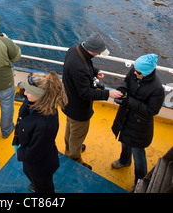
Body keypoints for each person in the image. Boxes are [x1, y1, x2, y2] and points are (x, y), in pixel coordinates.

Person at [62, 33, 123, 169]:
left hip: (67, 100)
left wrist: (95, 72)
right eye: (99, 53)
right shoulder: (80, 68)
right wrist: (108, 93)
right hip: (78, 108)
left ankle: (70, 149)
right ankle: (74, 158)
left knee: (70, 128)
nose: (99, 54)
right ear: (93, 50)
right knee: (78, 133)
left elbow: (86, 66)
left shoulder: (74, 49)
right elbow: (85, 93)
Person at [111, 53, 165, 186]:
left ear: (146, 73)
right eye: (134, 70)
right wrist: (122, 90)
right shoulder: (136, 70)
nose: (134, 73)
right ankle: (124, 161)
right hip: (126, 117)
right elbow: (126, 81)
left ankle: (140, 181)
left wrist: (128, 101)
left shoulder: (157, 89)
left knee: (138, 154)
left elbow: (151, 111)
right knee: (124, 141)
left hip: (140, 125)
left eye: (138, 73)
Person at [12, 71, 68, 193]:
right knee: (29, 173)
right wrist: (16, 139)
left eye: (29, 91)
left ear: (41, 95)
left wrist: (20, 153)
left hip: (40, 165)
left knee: (43, 185)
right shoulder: (31, 101)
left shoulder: (45, 123)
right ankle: (35, 184)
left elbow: (36, 151)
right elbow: (21, 120)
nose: (24, 93)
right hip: (29, 157)